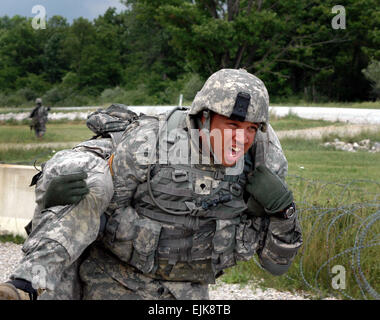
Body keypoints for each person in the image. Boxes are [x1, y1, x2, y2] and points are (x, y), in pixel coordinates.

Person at [0, 69, 302, 300]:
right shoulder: (150, 144)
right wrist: (53, 201)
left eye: (251, 129)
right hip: (116, 283)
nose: (242, 139)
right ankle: (25, 284)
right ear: (205, 117)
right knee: (89, 189)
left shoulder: (262, 162)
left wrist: (283, 212)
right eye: (233, 126)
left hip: (189, 293)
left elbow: (277, 266)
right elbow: (93, 209)